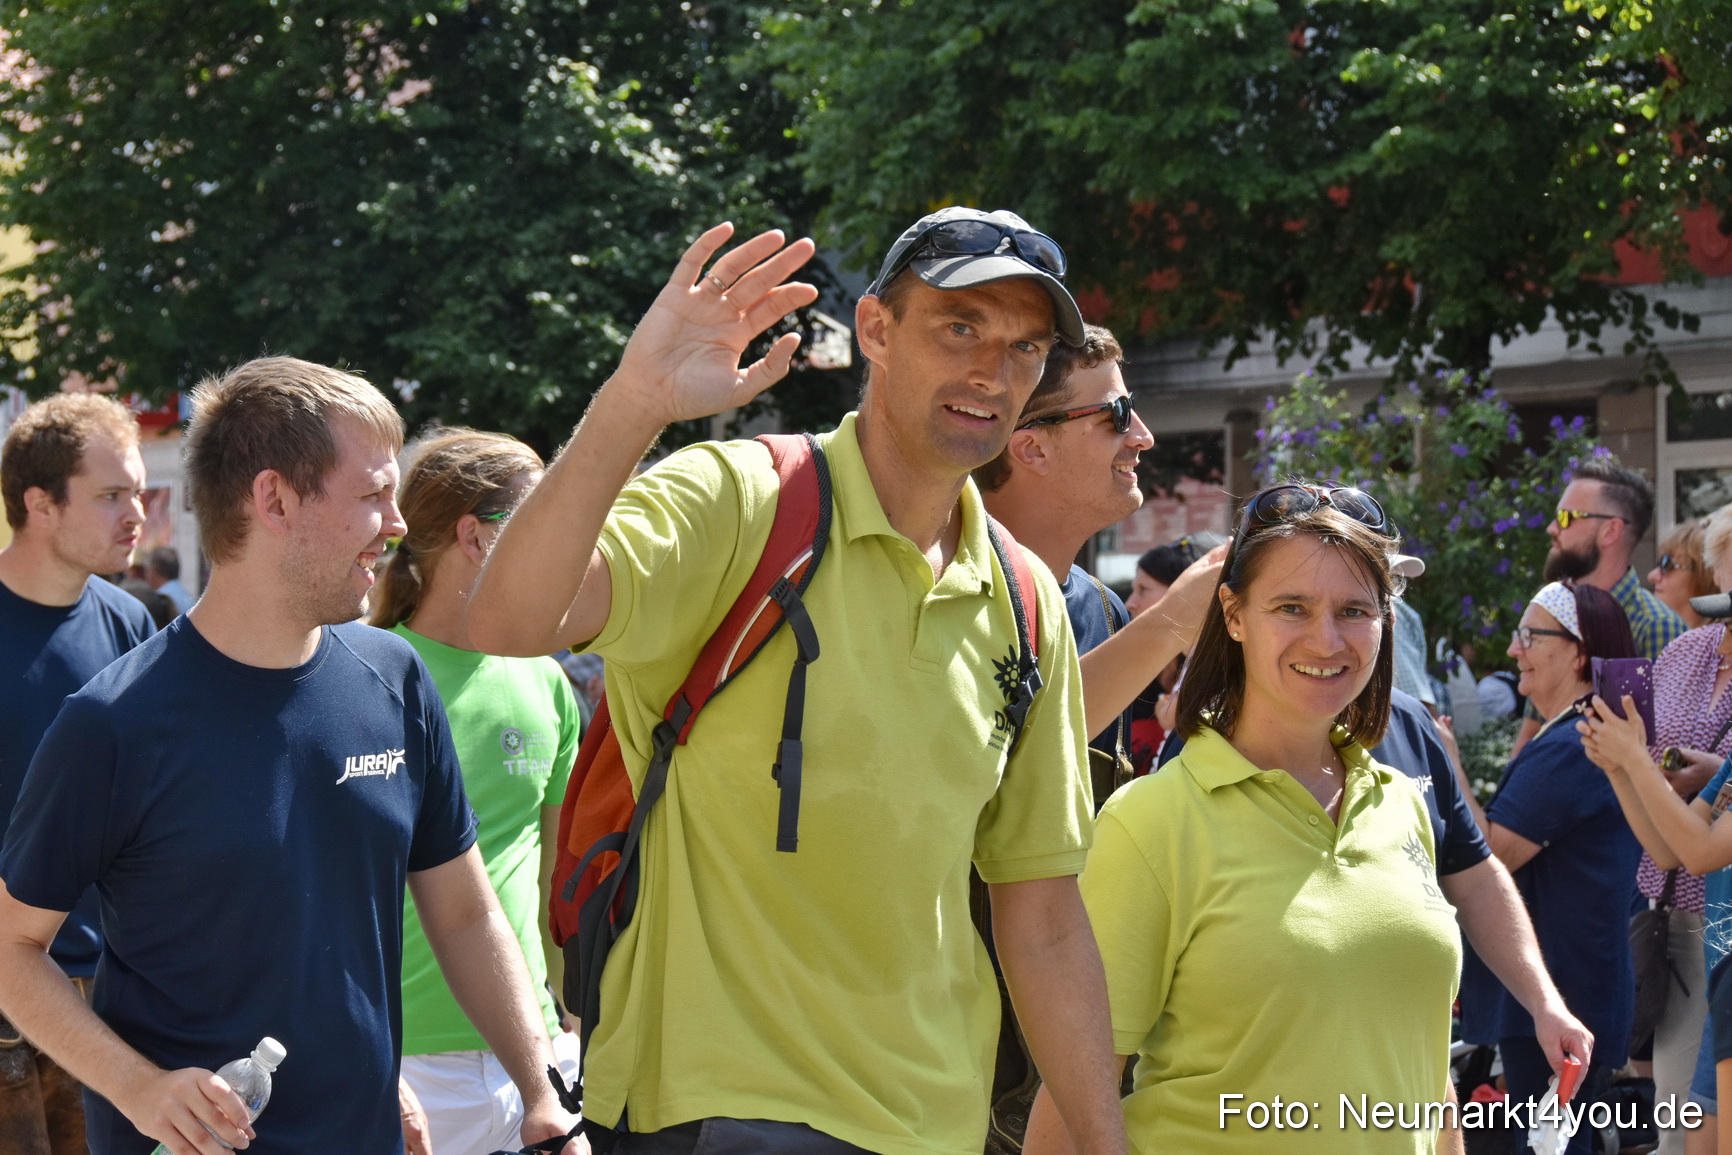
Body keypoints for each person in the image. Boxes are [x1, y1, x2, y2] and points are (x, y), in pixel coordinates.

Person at [469, 209, 1127, 1155]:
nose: (993, 371)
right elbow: (510, 620)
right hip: (722, 1109)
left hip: (933, 1124)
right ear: (875, 330)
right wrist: (635, 400)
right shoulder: (741, 499)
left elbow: (1045, 917)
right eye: (960, 327)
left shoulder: (1025, 599)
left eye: (1024, 348)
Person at [0, 357, 576, 1155]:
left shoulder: (395, 678)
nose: (399, 521)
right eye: (373, 493)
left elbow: (465, 909)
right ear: (274, 499)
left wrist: (539, 1091)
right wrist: (137, 1085)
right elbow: (13, 948)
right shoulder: (112, 723)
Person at [1025, 483, 1463, 1154]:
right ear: (1232, 614)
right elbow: (1070, 1103)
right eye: (1292, 606)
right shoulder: (1151, 822)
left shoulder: (1402, 805)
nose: (1327, 637)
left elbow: (1426, 1074)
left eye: (1354, 609)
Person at [369, 429, 585, 1155]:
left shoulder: (547, 679)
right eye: (537, 520)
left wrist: (571, 1028)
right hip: (405, 1059)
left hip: (537, 1056)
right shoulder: (364, 677)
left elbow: (558, 880)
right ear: (474, 536)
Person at [0, 394, 156, 1155]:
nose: (138, 513)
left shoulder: (131, 625)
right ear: (40, 503)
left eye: (136, 490)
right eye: (111, 494)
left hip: (107, 991)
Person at [1452, 579, 1641, 1155]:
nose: (1514, 651)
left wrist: (1449, 759)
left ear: (1579, 652)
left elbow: (1495, 853)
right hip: (1565, 984)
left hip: (1560, 991)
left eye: (1529, 636)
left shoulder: (1577, 741)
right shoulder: (1571, 732)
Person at [975, 323, 1156, 794]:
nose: (1142, 436)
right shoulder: (945, 596)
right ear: (1032, 448)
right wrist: (1181, 614)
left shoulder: (1105, 611)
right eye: (1118, 413)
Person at [1514, 455, 1687, 755]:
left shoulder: (1657, 626)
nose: (1552, 528)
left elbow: (1661, 756)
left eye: (1566, 517)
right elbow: (1532, 735)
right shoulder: (1554, 617)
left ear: (1610, 531)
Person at [1649, 518, 1718, 631]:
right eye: (1659, 563)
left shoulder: (1720, 645)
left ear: (1704, 576)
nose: (1652, 576)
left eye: (1667, 564)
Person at [144, 546, 195, 615]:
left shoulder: (161, 599)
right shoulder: (186, 595)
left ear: (154, 570)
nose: (146, 575)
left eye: (148, 569)